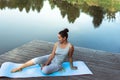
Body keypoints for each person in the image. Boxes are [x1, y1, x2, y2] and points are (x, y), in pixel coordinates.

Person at [11, 28, 77, 74]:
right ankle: (19, 68)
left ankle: (57, 68)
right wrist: (46, 63)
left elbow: (70, 57)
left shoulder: (70, 47)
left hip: (57, 64)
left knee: (45, 71)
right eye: (58, 37)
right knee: (36, 60)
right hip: (50, 58)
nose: (58, 39)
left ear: (64, 38)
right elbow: (52, 55)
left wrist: (72, 66)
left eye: (59, 38)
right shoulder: (56, 44)